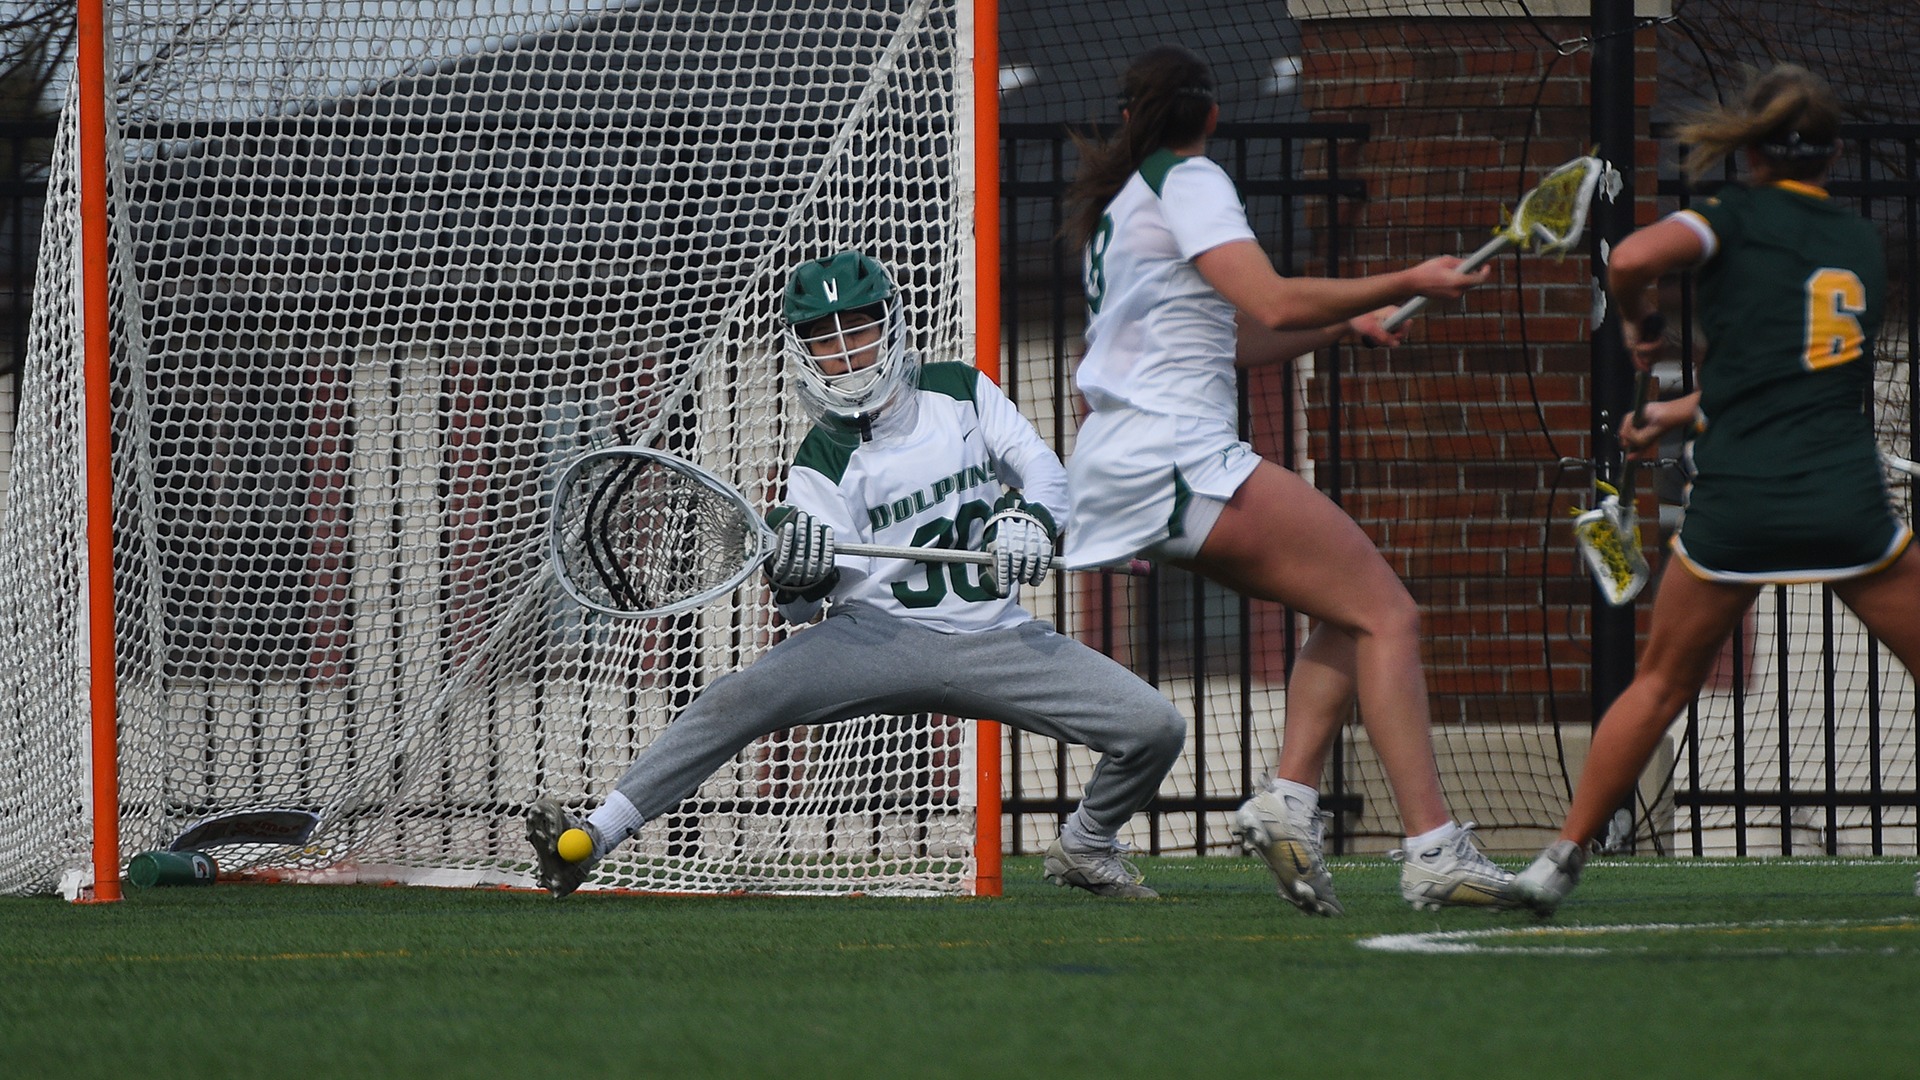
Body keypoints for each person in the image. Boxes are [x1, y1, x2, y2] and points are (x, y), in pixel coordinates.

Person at [526, 250, 1188, 899]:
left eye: (860, 328)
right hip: (874, 637)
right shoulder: (819, 459)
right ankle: (590, 839)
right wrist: (799, 571)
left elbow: (1043, 471)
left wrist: (1029, 520)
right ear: (804, 352)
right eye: (825, 338)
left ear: (891, 324)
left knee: (1155, 727)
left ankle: (1087, 844)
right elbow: (799, 609)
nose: (846, 352)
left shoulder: (960, 390)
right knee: (736, 698)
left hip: (996, 637)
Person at [1059, 44, 1514, 915]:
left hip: (1125, 466)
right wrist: (1408, 278)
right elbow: (1270, 298)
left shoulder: (1127, 204)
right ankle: (1433, 850)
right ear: (1211, 117)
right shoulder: (1192, 179)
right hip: (1177, 458)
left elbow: (1233, 338)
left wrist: (1345, 326)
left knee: (1349, 611)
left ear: (1128, 119)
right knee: (1391, 615)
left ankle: (1289, 800)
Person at [1512, 64, 1919, 915]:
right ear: (1833, 154)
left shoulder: (1728, 217)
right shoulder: (1857, 243)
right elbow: (1785, 376)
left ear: (1752, 151)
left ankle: (1558, 860)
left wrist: (1637, 320)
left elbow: (1632, 257)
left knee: (1659, 685)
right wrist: (1675, 414)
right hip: (1844, 503)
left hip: (1742, 505)